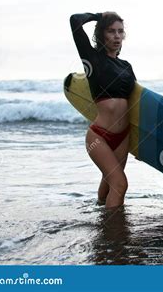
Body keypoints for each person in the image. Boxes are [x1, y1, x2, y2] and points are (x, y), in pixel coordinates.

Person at [70, 12, 137, 209]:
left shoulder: (126, 66)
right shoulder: (92, 58)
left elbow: (136, 103)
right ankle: (113, 235)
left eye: (120, 32)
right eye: (111, 31)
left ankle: (100, 213)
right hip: (99, 136)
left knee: (109, 181)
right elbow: (74, 20)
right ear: (102, 35)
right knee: (120, 183)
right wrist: (99, 16)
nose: (117, 36)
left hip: (123, 137)